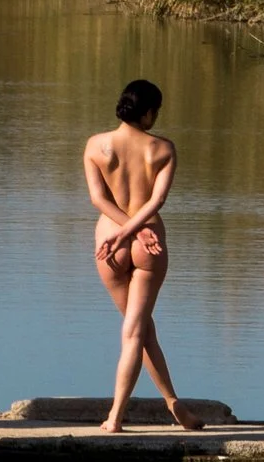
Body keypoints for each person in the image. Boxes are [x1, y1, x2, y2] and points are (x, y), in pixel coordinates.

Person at [83, 79, 202, 431]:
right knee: (137, 331)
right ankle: (118, 415)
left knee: (139, 330)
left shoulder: (96, 145)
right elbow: (156, 201)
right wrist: (136, 230)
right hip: (148, 242)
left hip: (109, 242)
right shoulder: (163, 149)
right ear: (149, 111)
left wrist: (121, 231)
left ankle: (172, 403)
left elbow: (99, 200)